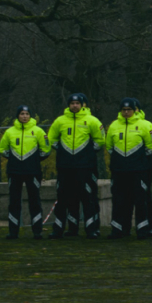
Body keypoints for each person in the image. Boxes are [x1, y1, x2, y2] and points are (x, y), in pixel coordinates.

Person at [46, 92, 107, 238]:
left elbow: (100, 141)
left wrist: (86, 153)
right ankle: (63, 229)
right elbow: (51, 139)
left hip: (85, 167)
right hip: (65, 166)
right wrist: (62, 151)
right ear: (68, 105)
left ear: (82, 105)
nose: (74, 106)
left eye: (77, 103)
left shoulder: (92, 121)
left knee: (89, 198)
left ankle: (92, 229)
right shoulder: (59, 121)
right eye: (72, 103)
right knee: (64, 199)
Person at [105, 98, 152, 240]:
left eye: (129, 110)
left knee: (141, 200)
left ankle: (143, 230)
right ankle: (119, 229)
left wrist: (138, 158)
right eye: (124, 110)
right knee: (119, 200)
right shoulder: (114, 125)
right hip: (119, 170)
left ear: (136, 110)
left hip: (140, 170)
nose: (126, 112)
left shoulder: (146, 125)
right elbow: (109, 146)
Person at [0, 105, 48, 239]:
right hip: (14, 172)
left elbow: (46, 150)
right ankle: (13, 232)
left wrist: (33, 161)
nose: (24, 116)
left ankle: (37, 231)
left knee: (35, 201)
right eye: (22, 113)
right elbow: (3, 149)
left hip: (33, 172)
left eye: (27, 114)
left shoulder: (38, 131)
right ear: (17, 116)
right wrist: (15, 160)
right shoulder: (9, 132)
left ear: (30, 115)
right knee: (14, 202)